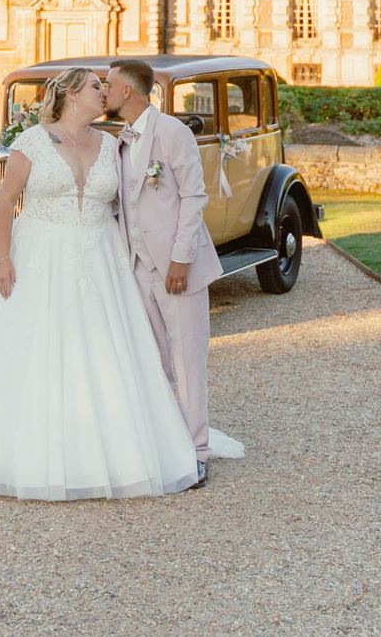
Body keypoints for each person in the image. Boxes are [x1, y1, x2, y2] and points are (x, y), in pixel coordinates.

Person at [0, 66, 201, 500]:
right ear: (74, 94)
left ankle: (117, 446)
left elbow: (137, 201)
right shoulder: (31, 143)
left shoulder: (114, 145)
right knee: (35, 348)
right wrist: (2, 259)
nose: (106, 93)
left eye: (107, 86)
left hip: (100, 259)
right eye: (98, 86)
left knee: (107, 351)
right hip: (38, 255)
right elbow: (4, 203)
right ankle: (26, 447)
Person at [106, 60, 238, 475]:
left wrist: (180, 259)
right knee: (155, 360)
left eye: (108, 85)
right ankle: (165, 444)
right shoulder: (118, 141)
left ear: (127, 90)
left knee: (187, 361)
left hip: (177, 267)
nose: (104, 92)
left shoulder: (173, 132)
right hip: (138, 266)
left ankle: (197, 453)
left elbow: (194, 198)